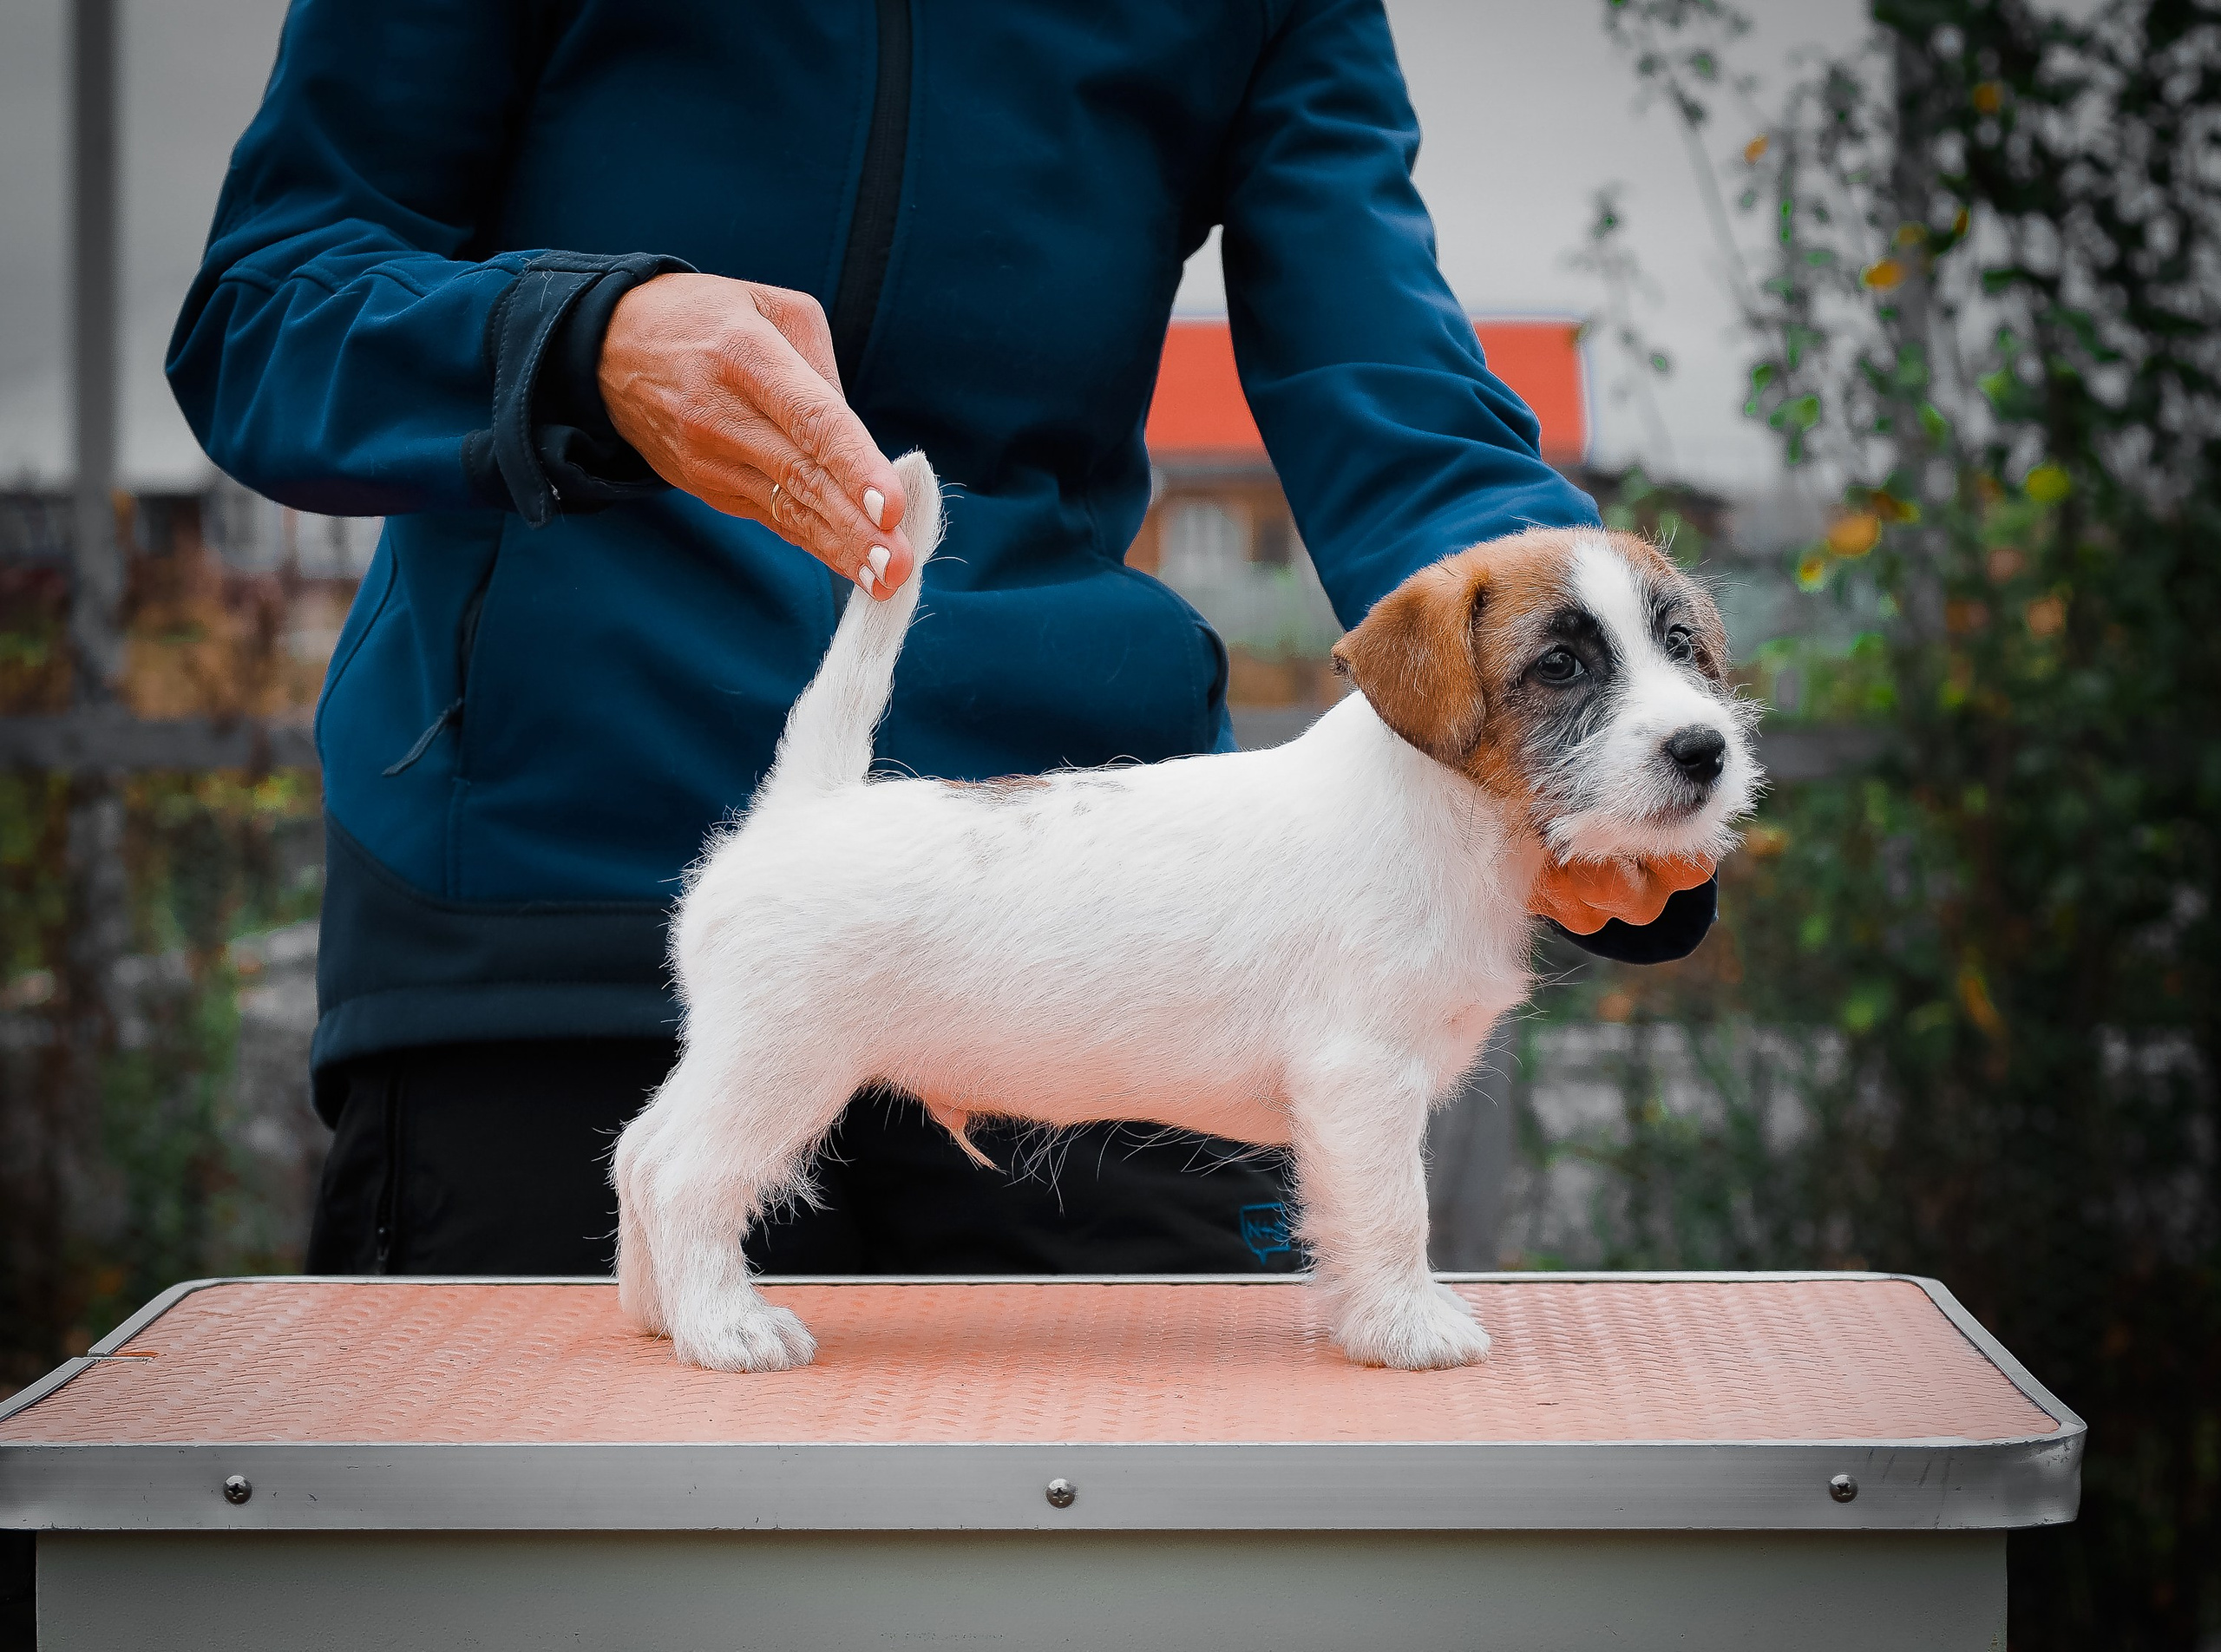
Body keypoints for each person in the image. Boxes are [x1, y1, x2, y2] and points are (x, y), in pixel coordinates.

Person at [168, 1, 1719, 1279]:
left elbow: (1393, 387)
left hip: (1117, 940)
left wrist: (1582, 723)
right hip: (546, 903)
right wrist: (577, 341)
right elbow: (266, 312)